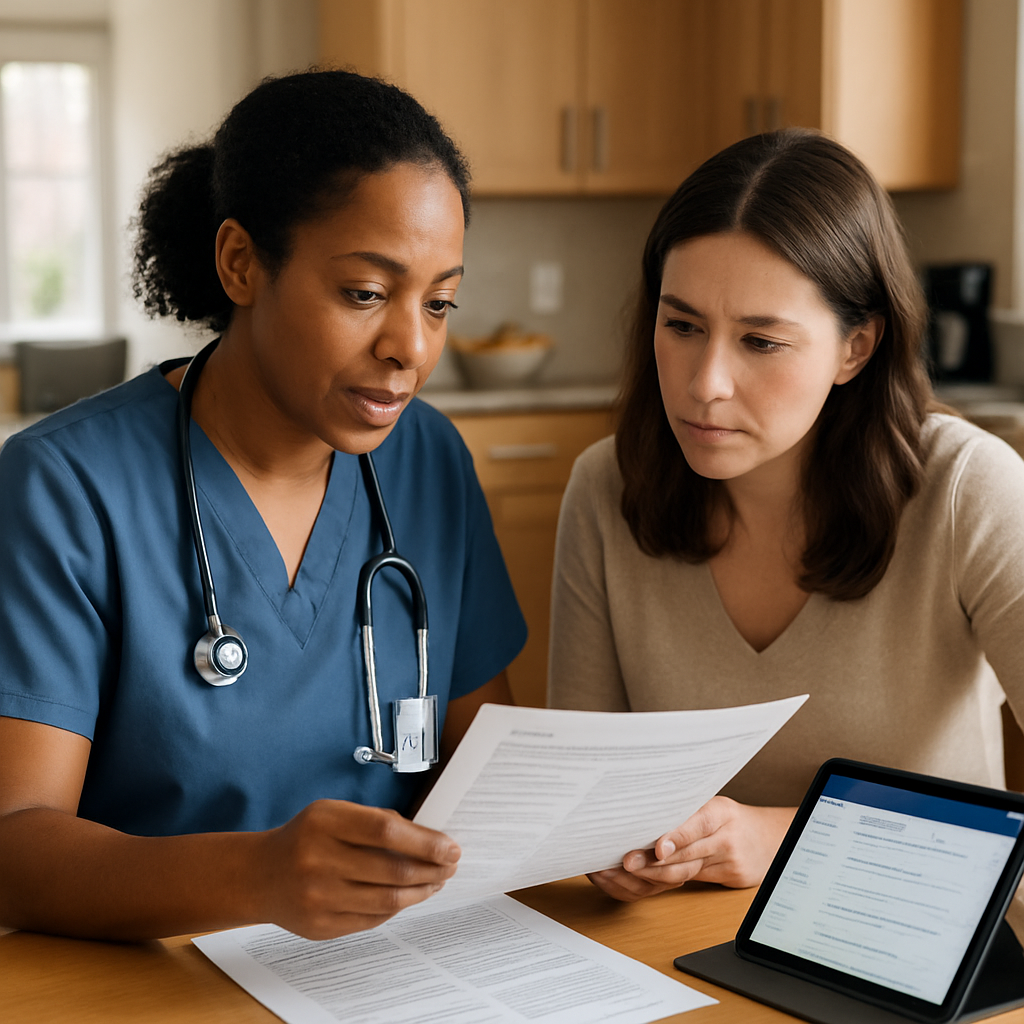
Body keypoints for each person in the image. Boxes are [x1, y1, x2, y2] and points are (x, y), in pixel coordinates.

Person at [0, 70, 525, 941]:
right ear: (242, 262)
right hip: (152, 981)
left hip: (389, 974)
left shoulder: (428, 458)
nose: (411, 347)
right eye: (366, 294)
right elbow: (13, 853)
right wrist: (260, 876)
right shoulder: (65, 486)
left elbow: (482, 771)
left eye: (439, 304)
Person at [548, 129, 1024, 930]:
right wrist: (606, 842)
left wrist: (780, 838)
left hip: (917, 949)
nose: (706, 384)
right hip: (679, 951)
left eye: (761, 341)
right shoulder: (605, 488)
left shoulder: (969, 490)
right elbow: (581, 793)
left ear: (855, 347)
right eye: (682, 326)